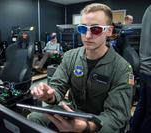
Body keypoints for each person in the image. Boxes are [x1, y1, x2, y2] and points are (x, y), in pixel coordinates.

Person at [28, 3, 134, 133]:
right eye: (83, 29)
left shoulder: (122, 68)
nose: (88, 36)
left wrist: (86, 126)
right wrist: (48, 95)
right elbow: (57, 87)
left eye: (96, 29)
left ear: (109, 31)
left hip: (100, 122)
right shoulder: (70, 56)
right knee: (34, 118)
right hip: (73, 113)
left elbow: (116, 116)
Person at [130, 5, 151, 133]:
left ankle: (132, 128)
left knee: (143, 106)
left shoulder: (148, 9)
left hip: (145, 68)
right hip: (149, 69)